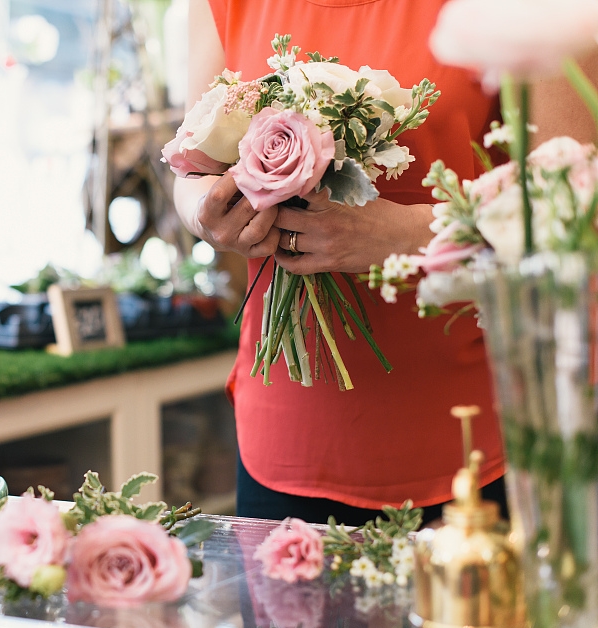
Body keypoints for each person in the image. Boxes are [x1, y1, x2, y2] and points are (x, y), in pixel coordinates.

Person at [174, 0, 598, 525]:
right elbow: (190, 165)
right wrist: (206, 212)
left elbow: (576, 201)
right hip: (285, 431)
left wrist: (401, 235)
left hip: (479, 435)